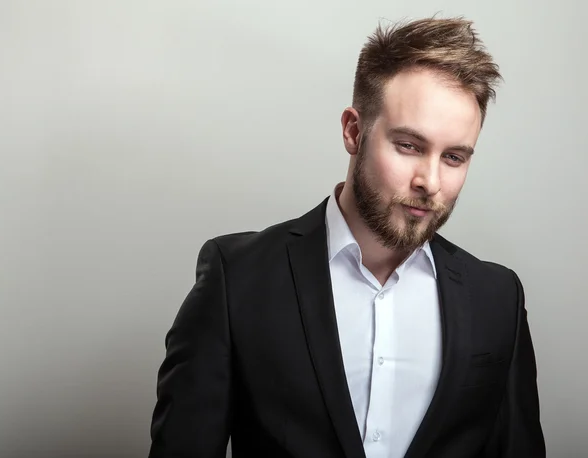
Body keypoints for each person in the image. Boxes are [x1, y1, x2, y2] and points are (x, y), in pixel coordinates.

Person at [148, 17, 546, 458]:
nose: (430, 182)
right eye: (409, 146)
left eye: (453, 157)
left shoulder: (497, 297)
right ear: (354, 131)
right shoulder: (237, 278)